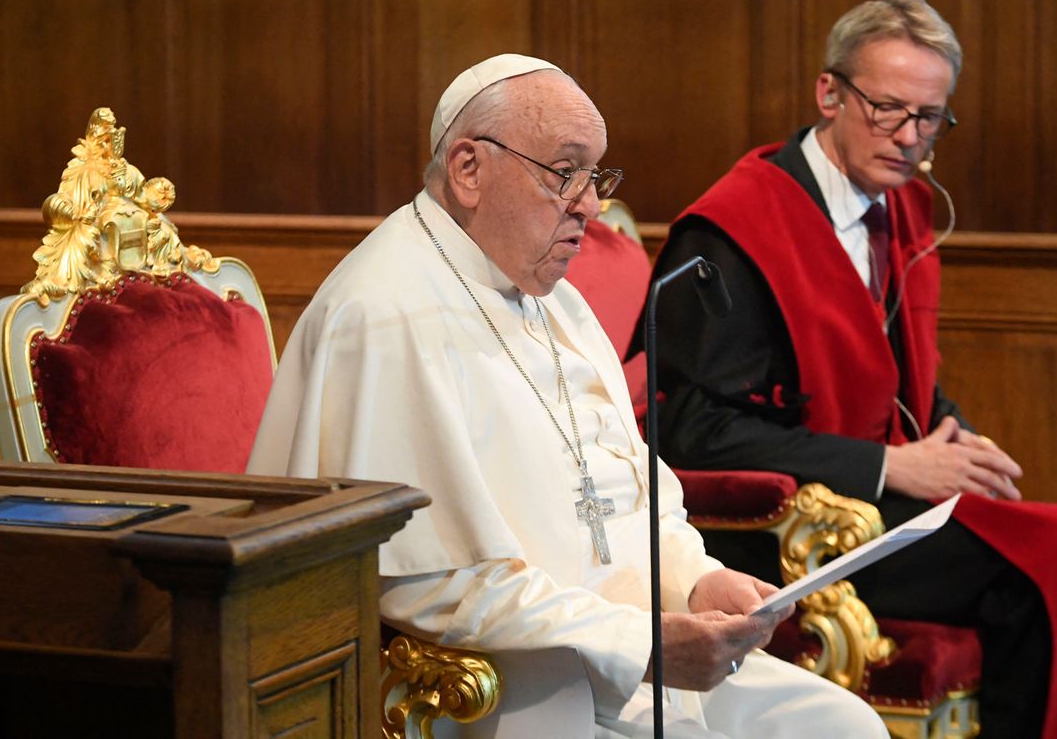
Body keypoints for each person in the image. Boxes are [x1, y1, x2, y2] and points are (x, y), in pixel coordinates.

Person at [245, 54, 888, 738]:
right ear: (468, 170)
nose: (592, 203)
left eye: (596, 175)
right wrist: (642, 644)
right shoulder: (383, 314)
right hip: (512, 686)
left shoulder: (559, 305)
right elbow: (426, 581)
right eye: (565, 173)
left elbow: (629, 494)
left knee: (844, 725)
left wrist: (695, 579)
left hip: (635, 649)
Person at [649, 0, 1057, 739]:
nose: (909, 138)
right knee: (1042, 577)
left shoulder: (900, 207)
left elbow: (893, 375)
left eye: (930, 118)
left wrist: (954, 433)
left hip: (875, 500)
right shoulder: (735, 227)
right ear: (828, 93)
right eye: (887, 109)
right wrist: (892, 467)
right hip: (782, 525)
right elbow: (692, 431)